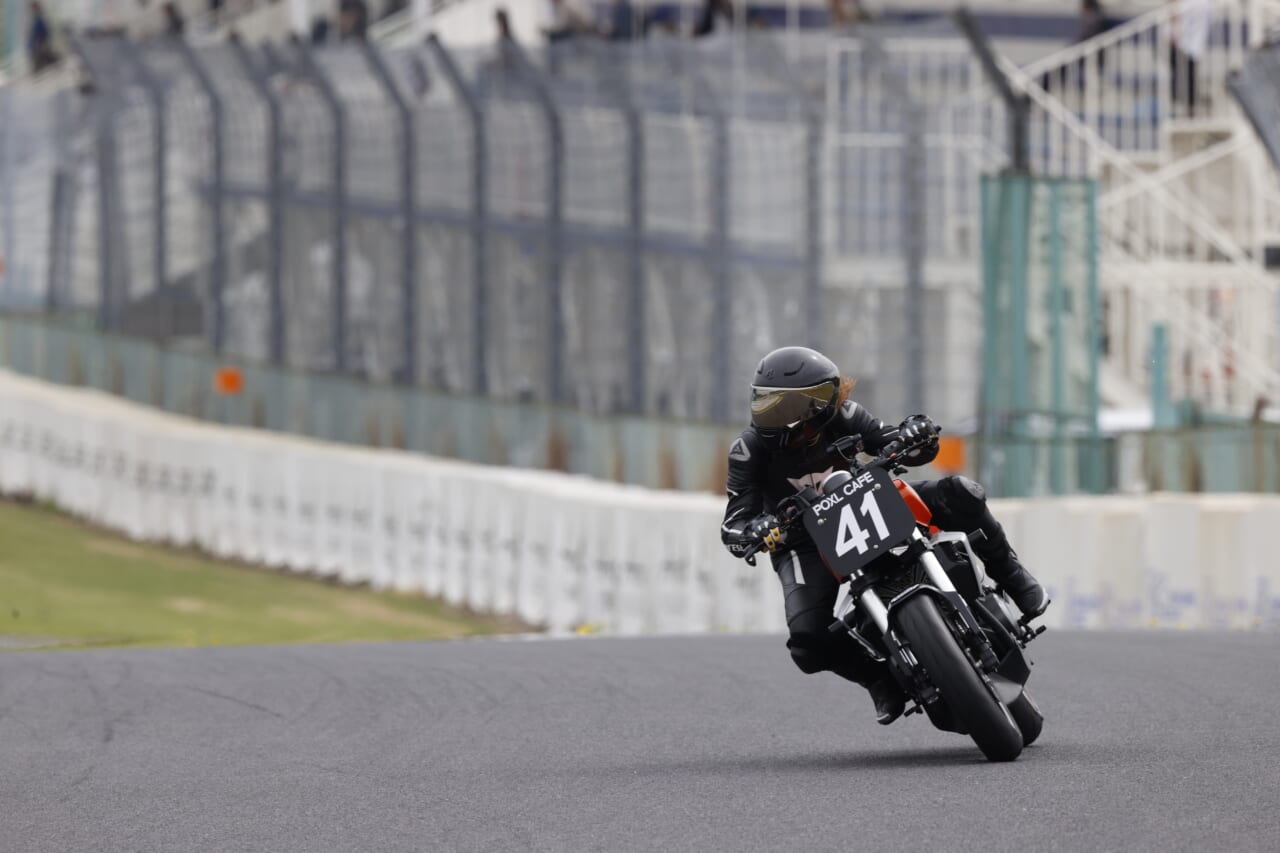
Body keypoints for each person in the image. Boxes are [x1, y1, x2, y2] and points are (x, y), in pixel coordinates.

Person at [720, 347, 1050, 725]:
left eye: (786, 407)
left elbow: (896, 442)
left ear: (818, 404)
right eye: (766, 404)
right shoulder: (748, 450)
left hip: (871, 501)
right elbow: (734, 524)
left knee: (962, 492)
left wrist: (916, 434)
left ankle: (1012, 575)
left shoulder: (846, 415)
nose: (773, 416)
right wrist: (755, 530)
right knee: (807, 642)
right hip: (803, 541)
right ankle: (878, 679)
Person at [1170, 0, 1213, 117]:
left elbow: (1177, 18)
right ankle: (1189, 108)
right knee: (1187, 78)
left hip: (1186, 45)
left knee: (1187, 78)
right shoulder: (1204, 5)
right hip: (1188, 46)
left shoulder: (1193, 4)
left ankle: (1190, 109)